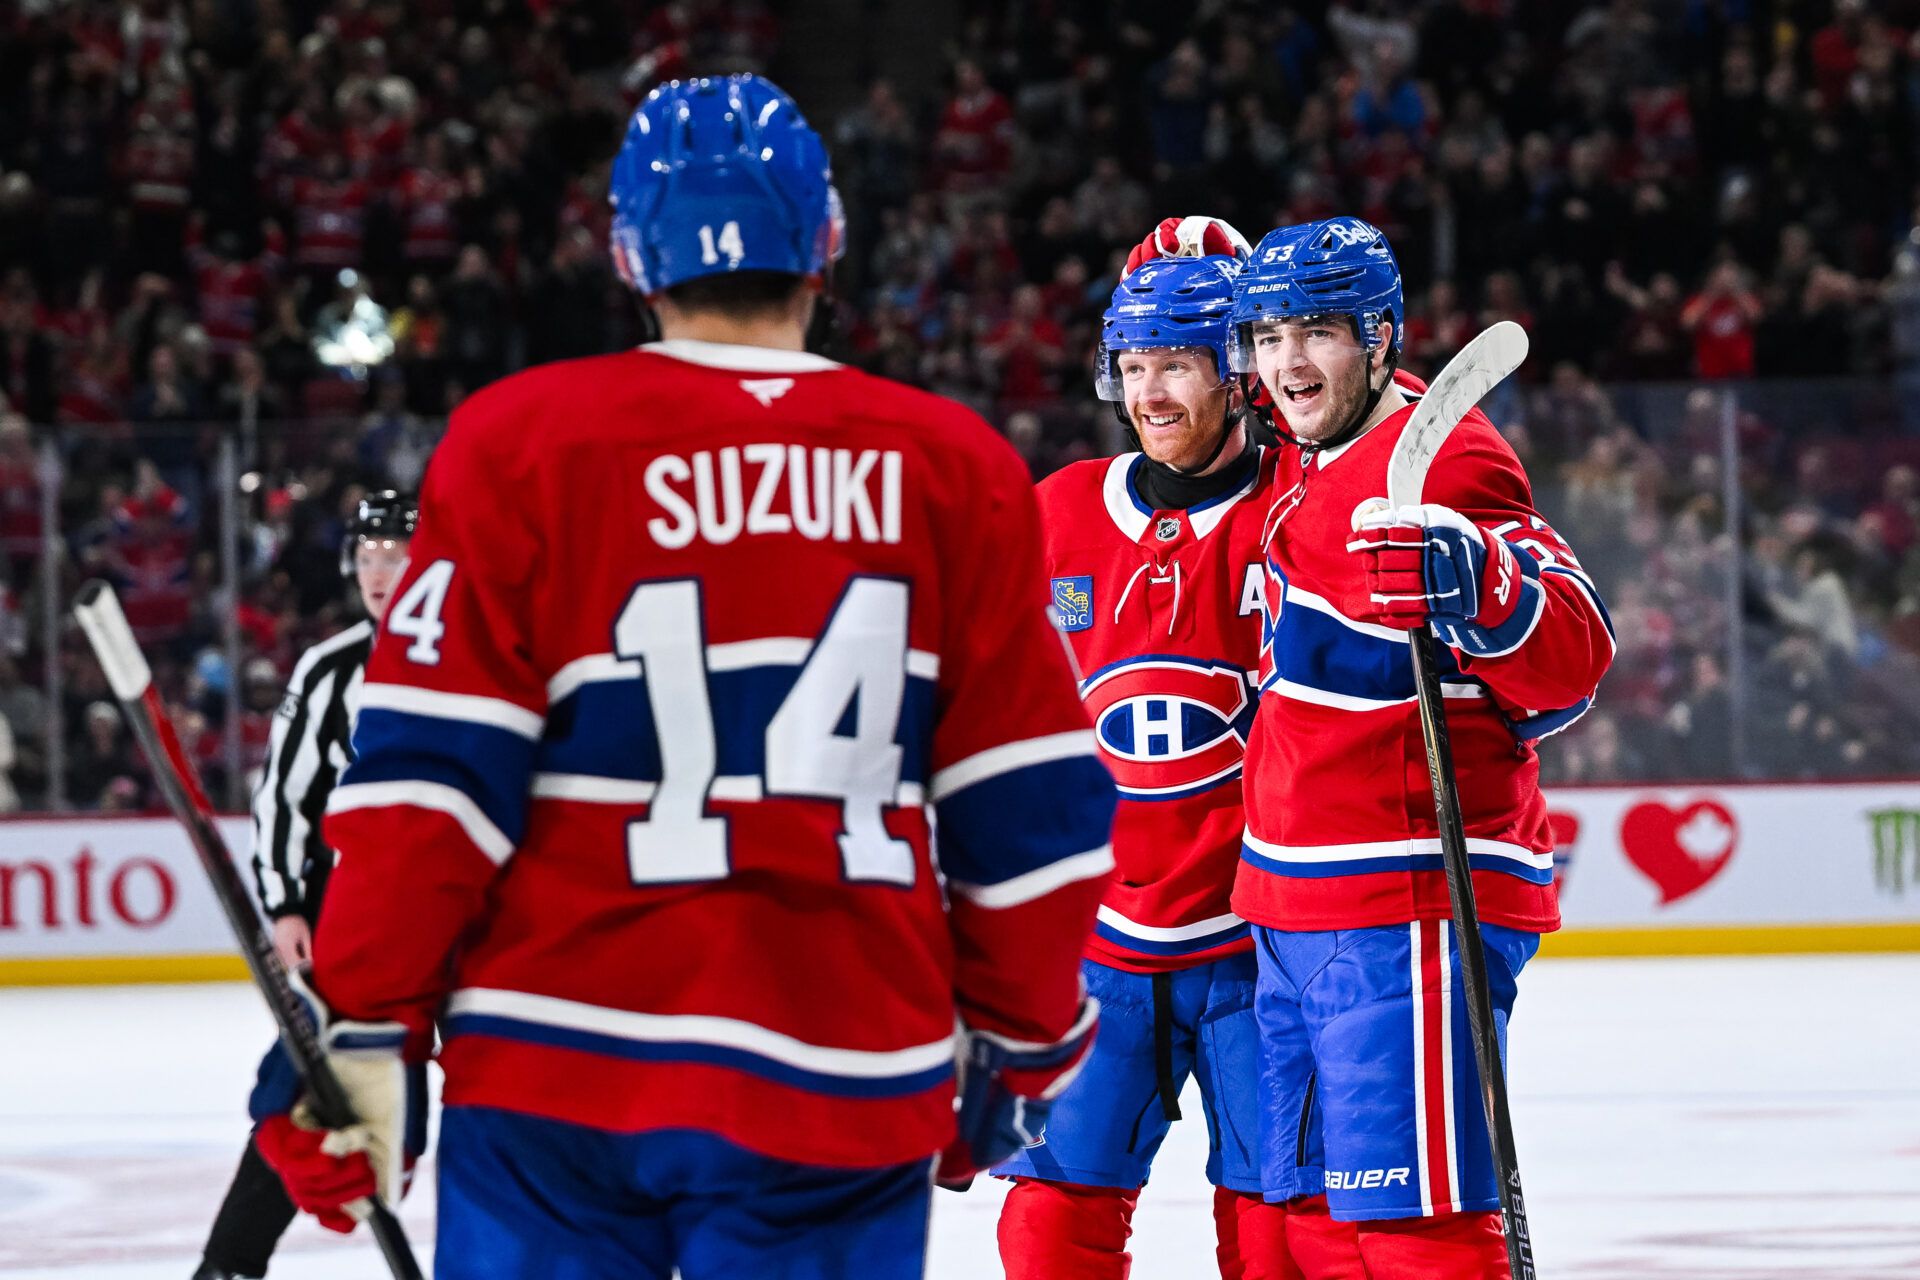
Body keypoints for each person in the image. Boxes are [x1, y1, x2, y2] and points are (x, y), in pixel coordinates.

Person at [249, 75, 1117, 1280]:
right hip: (841, 1071)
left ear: (625, 251)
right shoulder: (952, 465)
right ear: (827, 242)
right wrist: (1019, 1045)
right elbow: (1033, 817)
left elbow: (426, 793)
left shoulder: (522, 443)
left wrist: (357, 1028)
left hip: (555, 1073)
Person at [1227, 217, 1613, 1275]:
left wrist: (1480, 583)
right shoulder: (1302, 456)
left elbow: (1575, 656)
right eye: (1268, 336)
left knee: (1415, 1229)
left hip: (1406, 898)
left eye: (1318, 332)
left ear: (1382, 334)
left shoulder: (1444, 453)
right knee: (1308, 1223)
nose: (1289, 363)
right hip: (1295, 902)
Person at [993, 216, 1354, 1278]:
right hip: (1099, 944)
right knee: (1050, 1226)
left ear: (1239, 372)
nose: (1152, 392)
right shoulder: (1054, 513)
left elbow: (1356, 398)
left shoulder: (1302, 505)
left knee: (1277, 1237)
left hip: (1263, 948)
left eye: (1182, 363)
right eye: (1137, 364)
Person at [194, 490, 416, 1280]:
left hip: (468, 925)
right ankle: (229, 1265)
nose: (378, 572)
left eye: (396, 555)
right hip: (356, 924)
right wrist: (288, 901)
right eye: (367, 557)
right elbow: (285, 797)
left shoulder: (479, 655)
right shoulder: (331, 670)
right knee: (312, 1090)